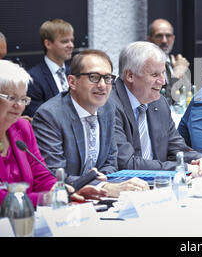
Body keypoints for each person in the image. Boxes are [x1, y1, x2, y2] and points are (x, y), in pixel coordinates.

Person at [32, 50, 149, 198]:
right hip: (65, 201)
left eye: (107, 78)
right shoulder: (50, 116)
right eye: (94, 77)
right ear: (72, 82)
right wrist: (102, 186)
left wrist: (103, 181)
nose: (102, 85)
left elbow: (111, 161)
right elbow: (55, 174)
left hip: (97, 200)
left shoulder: (107, 108)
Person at [0, 60, 103, 207]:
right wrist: (44, 199)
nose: (19, 106)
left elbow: (41, 175)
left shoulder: (22, 128)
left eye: (23, 99)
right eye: (11, 98)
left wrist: (61, 191)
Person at [110, 41, 202, 176]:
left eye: (163, 73)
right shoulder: (110, 105)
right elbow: (126, 164)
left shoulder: (159, 102)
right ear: (130, 75)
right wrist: (183, 168)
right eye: (154, 75)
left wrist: (200, 160)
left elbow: (177, 148)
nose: (163, 81)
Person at [24, 19, 74, 117]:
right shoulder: (33, 78)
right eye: (65, 41)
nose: (71, 45)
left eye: (72, 40)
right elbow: (38, 116)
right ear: (48, 44)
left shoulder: (74, 72)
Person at [147, 18, 190, 104]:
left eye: (168, 36)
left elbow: (187, 95)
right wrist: (176, 76)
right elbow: (164, 102)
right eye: (159, 36)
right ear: (149, 39)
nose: (164, 41)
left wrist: (182, 75)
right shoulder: (146, 65)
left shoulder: (175, 63)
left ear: (173, 38)